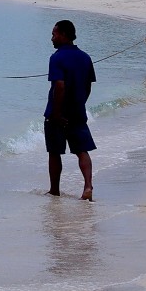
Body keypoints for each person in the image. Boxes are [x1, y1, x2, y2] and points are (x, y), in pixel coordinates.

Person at [44, 19, 97, 200]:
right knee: (82, 150)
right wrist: (80, 103)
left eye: (54, 34)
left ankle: (54, 190)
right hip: (77, 111)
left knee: (54, 152)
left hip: (57, 113)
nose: (52, 38)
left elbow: (59, 86)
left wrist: (57, 114)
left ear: (64, 35)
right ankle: (88, 186)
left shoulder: (56, 58)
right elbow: (88, 85)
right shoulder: (85, 57)